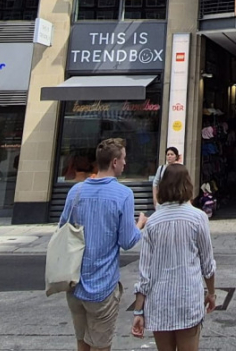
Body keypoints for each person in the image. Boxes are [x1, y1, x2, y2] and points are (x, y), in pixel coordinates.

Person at [59, 138, 149, 351]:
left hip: (74, 281)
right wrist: (140, 225)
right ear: (115, 162)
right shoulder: (123, 194)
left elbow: (63, 228)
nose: (126, 163)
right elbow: (127, 241)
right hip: (102, 286)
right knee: (101, 346)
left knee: (82, 343)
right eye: (124, 159)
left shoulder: (76, 191)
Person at [128, 165, 217, 351]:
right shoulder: (198, 218)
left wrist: (138, 310)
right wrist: (211, 293)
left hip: (159, 302)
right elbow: (207, 264)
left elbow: (145, 272)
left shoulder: (152, 222)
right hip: (188, 300)